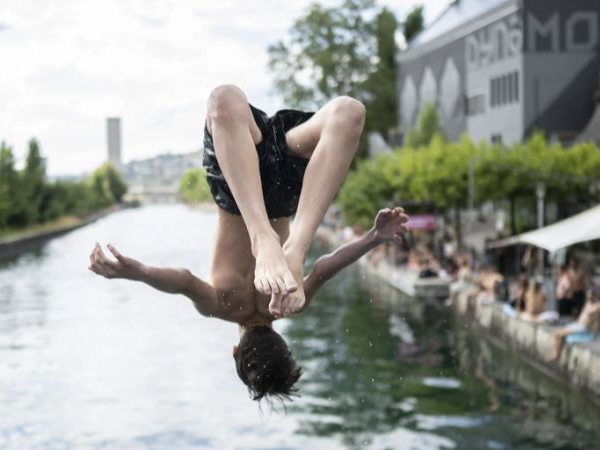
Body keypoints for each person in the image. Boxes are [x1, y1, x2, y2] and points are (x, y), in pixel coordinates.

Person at [89, 86, 409, 401]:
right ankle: (275, 242)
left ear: (283, 344)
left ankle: (288, 242)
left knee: (349, 113)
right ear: (234, 351)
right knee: (222, 100)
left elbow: (325, 268)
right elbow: (183, 281)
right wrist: (139, 272)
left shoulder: (289, 303)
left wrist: (374, 238)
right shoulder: (220, 306)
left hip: (275, 188)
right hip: (235, 190)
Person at [546, 289, 600, 362]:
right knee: (558, 332)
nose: (589, 297)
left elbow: (598, 321)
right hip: (578, 324)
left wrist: (597, 333)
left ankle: (557, 356)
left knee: (561, 334)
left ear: (595, 296)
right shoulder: (587, 304)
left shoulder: (597, 307)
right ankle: (556, 353)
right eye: (588, 295)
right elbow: (582, 316)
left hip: (583, 327)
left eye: (591, 296)